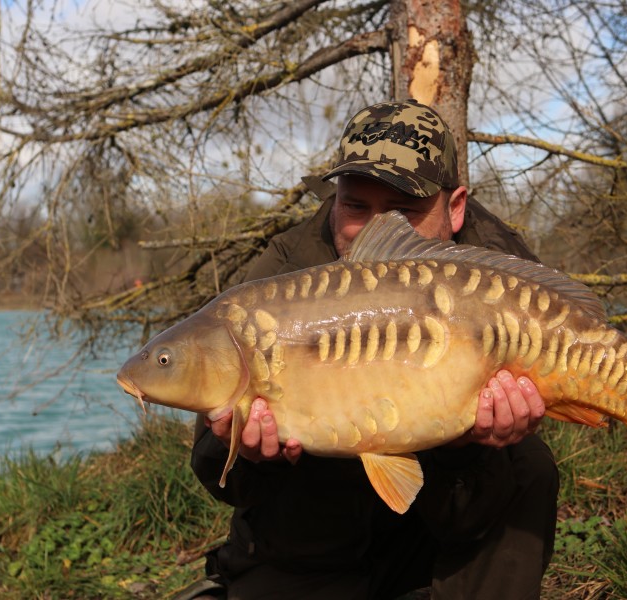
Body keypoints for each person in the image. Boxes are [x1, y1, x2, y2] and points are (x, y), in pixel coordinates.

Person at [186, 99, 559, 600]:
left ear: (455, 207)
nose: (378, 228)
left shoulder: (499, 265)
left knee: (528, 467)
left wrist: (467, 444)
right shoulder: (280, 275)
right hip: (311, 541)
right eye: (356, 206)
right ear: (336, 197)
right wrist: (254, 455)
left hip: (442, 524)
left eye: (403, 210)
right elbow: (217, 475)